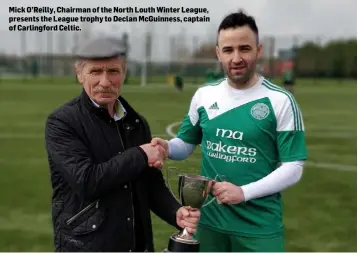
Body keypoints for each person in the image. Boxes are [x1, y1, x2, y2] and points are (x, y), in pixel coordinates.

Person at [151, 10, 307, 252]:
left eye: (244, 48)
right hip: (209, 223)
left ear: (259, 50)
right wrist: (168, 147)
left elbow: (293, 167)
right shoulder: (204, 96)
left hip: (259, 228)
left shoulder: (280, 100)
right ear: (218, 53)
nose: (236, 58)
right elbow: (186, 143)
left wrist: (243, 193)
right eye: (228, 50)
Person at [44, 37, 200, 252]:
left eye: (113, 71)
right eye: (95, 71)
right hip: (87, 246)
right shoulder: (62, 122)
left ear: (124, 73)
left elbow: (150, 184)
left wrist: (176, 212)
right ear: (79, 74)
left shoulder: (136, 122)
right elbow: (87, 181)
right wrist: (141, 154)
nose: (105, 81)